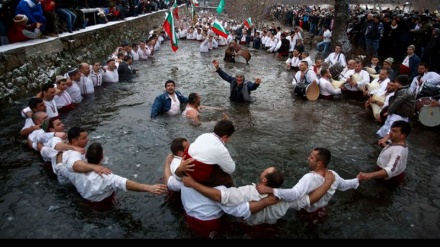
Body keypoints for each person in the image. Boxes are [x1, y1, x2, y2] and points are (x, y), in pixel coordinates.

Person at [181, 166, 336, 226]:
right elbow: (310, 200)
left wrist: (193, 184)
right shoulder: (284, 200)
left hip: (251, 228)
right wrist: (327, 183)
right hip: (271, 229)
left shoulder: (247, 192)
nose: (262, 169)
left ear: (264, 180)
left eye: (264, 170)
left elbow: (222, 197)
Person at [257, 147, 360, 215]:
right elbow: (346, 185)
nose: (308, 158)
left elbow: (294, 194)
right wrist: (358, 180)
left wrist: (271, 190)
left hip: (307, 213)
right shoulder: (334, 176)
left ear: (319, 163)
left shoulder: (309, 178)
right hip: (321, 212)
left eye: (311, 157)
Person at [56, 140, 167, 202]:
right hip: (105, 203)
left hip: (85, 201)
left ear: (85, 156)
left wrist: (60, 150)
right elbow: (125, 183)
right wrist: (149, 188)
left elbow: (59, 167)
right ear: (102, 156)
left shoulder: (74, 172)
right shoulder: (106, 176)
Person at [184, 119, 236, 187]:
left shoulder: (203, 135)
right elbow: (231, 169)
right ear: (225, 137)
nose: (229, 140)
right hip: (199, 176)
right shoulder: (221, 149)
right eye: (229, 137)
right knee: (227, 178)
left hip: (186, 170)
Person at [377, 75, 415, 147]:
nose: (395, 83)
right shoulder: (401, 90)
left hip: (400, 115)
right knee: (385, 129)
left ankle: (386, 145)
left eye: (396, 82)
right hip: (396, 114)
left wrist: (389, 111)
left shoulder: (405, 92)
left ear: (400, 83)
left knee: (392, 132)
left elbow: (397, 102)